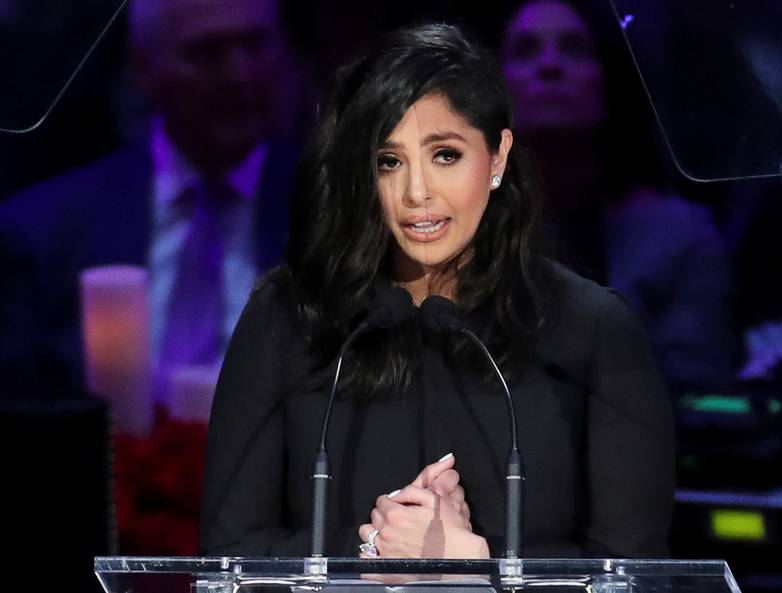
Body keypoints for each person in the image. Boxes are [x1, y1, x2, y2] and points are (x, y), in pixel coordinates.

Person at [200, 23, 673, 559]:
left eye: (445, 155)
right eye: (389, 161)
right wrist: (373, 556)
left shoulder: (592, 330)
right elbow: (227, 555)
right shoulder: (289, 316)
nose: (416, 192)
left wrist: (477, 570)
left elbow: (635, 573)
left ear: (496, 158)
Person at [0, 0, 297, 402]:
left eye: (255, 45)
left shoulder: (346, 211)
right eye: (207, 53)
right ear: (144, 69)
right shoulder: (42, 232)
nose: (240, 74)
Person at [500, 0, 734, 393]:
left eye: (574, 48)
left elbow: (698, 400)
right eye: (526, 50)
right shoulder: (455, 231)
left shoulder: (679, 236)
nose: (550, 65)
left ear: (609, 77)